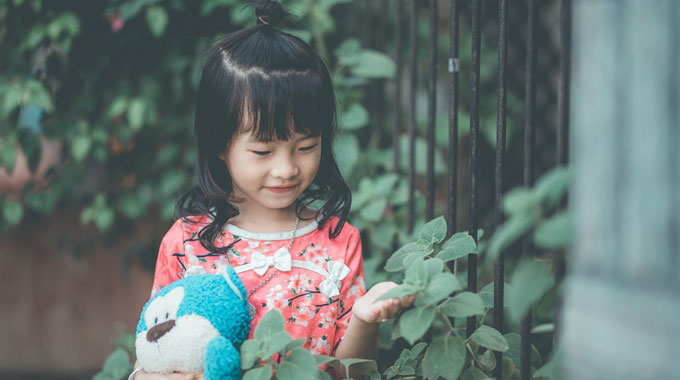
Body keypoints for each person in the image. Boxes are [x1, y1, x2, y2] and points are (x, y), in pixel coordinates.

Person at [130, 1, 413, 379]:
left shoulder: (338, 243)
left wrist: (364, 319)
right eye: (263, 150)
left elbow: (352, 374)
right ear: (218, 142)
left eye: (306, 146)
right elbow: (151, 356)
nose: (287, 169)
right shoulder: (186, 244)